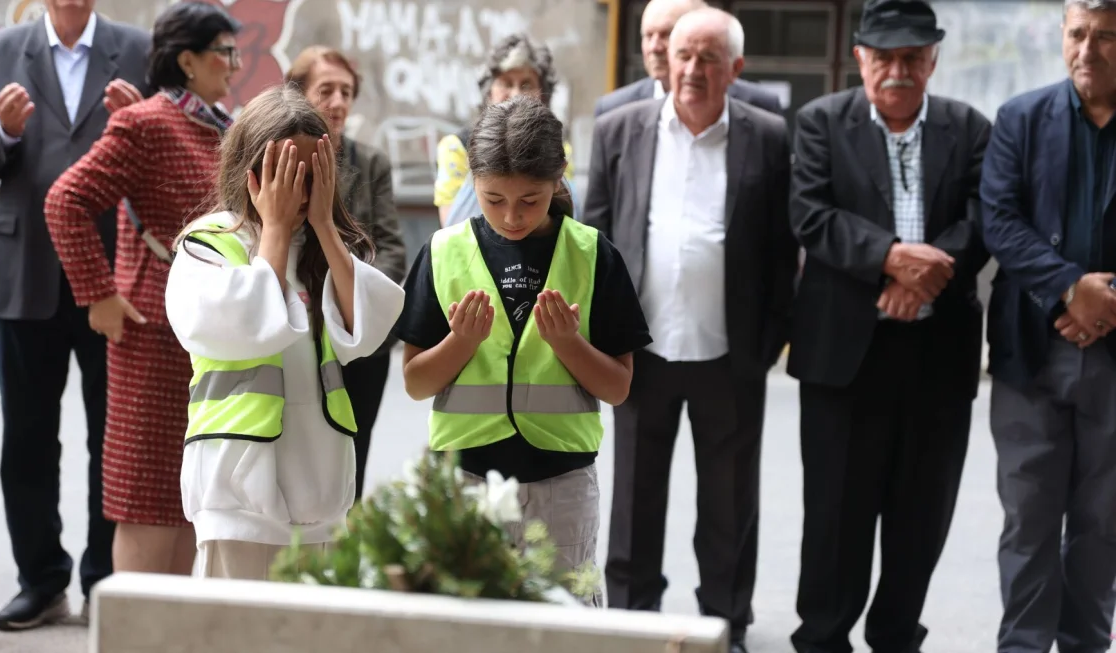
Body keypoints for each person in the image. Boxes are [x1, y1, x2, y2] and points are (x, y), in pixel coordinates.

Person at [583, 8, 796, 651]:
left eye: (709, 59)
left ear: (735, 69)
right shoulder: (619, 129)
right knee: (633, 504)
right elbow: (593, 241)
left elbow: (785, 252)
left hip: (729, 355)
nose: (693, 70)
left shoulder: (768, 136)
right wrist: (601, 341)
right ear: (666, 60)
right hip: (640, 354)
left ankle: (724, 622)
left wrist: (764, 346)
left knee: (730, 506)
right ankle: (632, 621)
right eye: (683, 55)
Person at [786, 0, 992, 651]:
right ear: (860, 60)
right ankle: (821, 638)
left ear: (932, 58)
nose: (897, 71)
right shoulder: (821, 122)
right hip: (843, 359)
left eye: (911, 58)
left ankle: (897, 635)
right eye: (884, 58)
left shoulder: (969, 127)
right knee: (834, 520)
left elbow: (985, 219)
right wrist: (890, 260)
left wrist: (926, 273)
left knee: (918, 518)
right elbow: (809, 213)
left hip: (936, 355)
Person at [397, 94, 651, 607]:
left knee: (564, 626)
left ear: (559, 179)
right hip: (464, 480)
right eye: (493, 199)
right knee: (466, 628)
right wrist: (460, 343)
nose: (511, 216)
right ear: (472, 182)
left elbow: (619, 388)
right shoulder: (443, 252)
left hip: (563, 486)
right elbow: (416, 382)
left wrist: (569, 344)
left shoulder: (593, 254)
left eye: (530, 200)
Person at [0, 0, 150, 630]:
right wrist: (5, 131)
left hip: (113, 274)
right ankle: (40, 581)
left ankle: (104, 579)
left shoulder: (137, 50)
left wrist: (135, 124)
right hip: (26, 273)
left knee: (113, 439)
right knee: (27, 441)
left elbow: (162, 155)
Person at [164, 85, 405, 580]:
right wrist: (272, 233)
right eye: (285, 172)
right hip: (236, 494)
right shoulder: (209, 242)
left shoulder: (324, 248)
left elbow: (371, 326)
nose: (299, 189)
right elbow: (242, 325)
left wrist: (323, 225)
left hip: (320, 490)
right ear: (250, 172)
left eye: (312, 173)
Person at [43, 2, 241, 579]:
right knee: (146, 501)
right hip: (151, 337)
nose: (233, 64)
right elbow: (65, 201)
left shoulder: (221, 125)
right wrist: (98, 295)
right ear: (187, 60)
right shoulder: (146, 123)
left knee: (190, 500)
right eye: (223, 52)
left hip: (211, 337)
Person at [980, 0, 1116, 650]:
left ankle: (1086, 644)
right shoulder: (1020, 117)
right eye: (1076, 34)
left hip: (1114, 361)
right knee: (1027, 522)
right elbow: (998, 219)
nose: (1087, 50)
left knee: (1102, 525)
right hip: (1031, 353)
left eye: (1105, 37)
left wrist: (1107, 300)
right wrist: (1068, 286)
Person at [284, 45, 407, 500]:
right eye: (326, 90)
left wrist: (357, 294)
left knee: (353, 456)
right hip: (299, 328)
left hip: (359, 335)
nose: (338, 102)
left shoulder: (369, 162)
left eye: (347, 92)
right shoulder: (276, 156)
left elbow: (391, 244)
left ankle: (341, 558)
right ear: (297, 94)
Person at [434, 33, 576, 227]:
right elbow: (452, 225)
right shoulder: (456, 146)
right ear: (488, 91)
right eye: (506, 83)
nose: (516, 94)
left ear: (544, 94)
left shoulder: (560, 147)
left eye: (526, 84)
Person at [593, 0, 781, 117]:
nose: (654, 47)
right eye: (648, 35)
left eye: (666, 34)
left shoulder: (759, 107)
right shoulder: (613, 109)